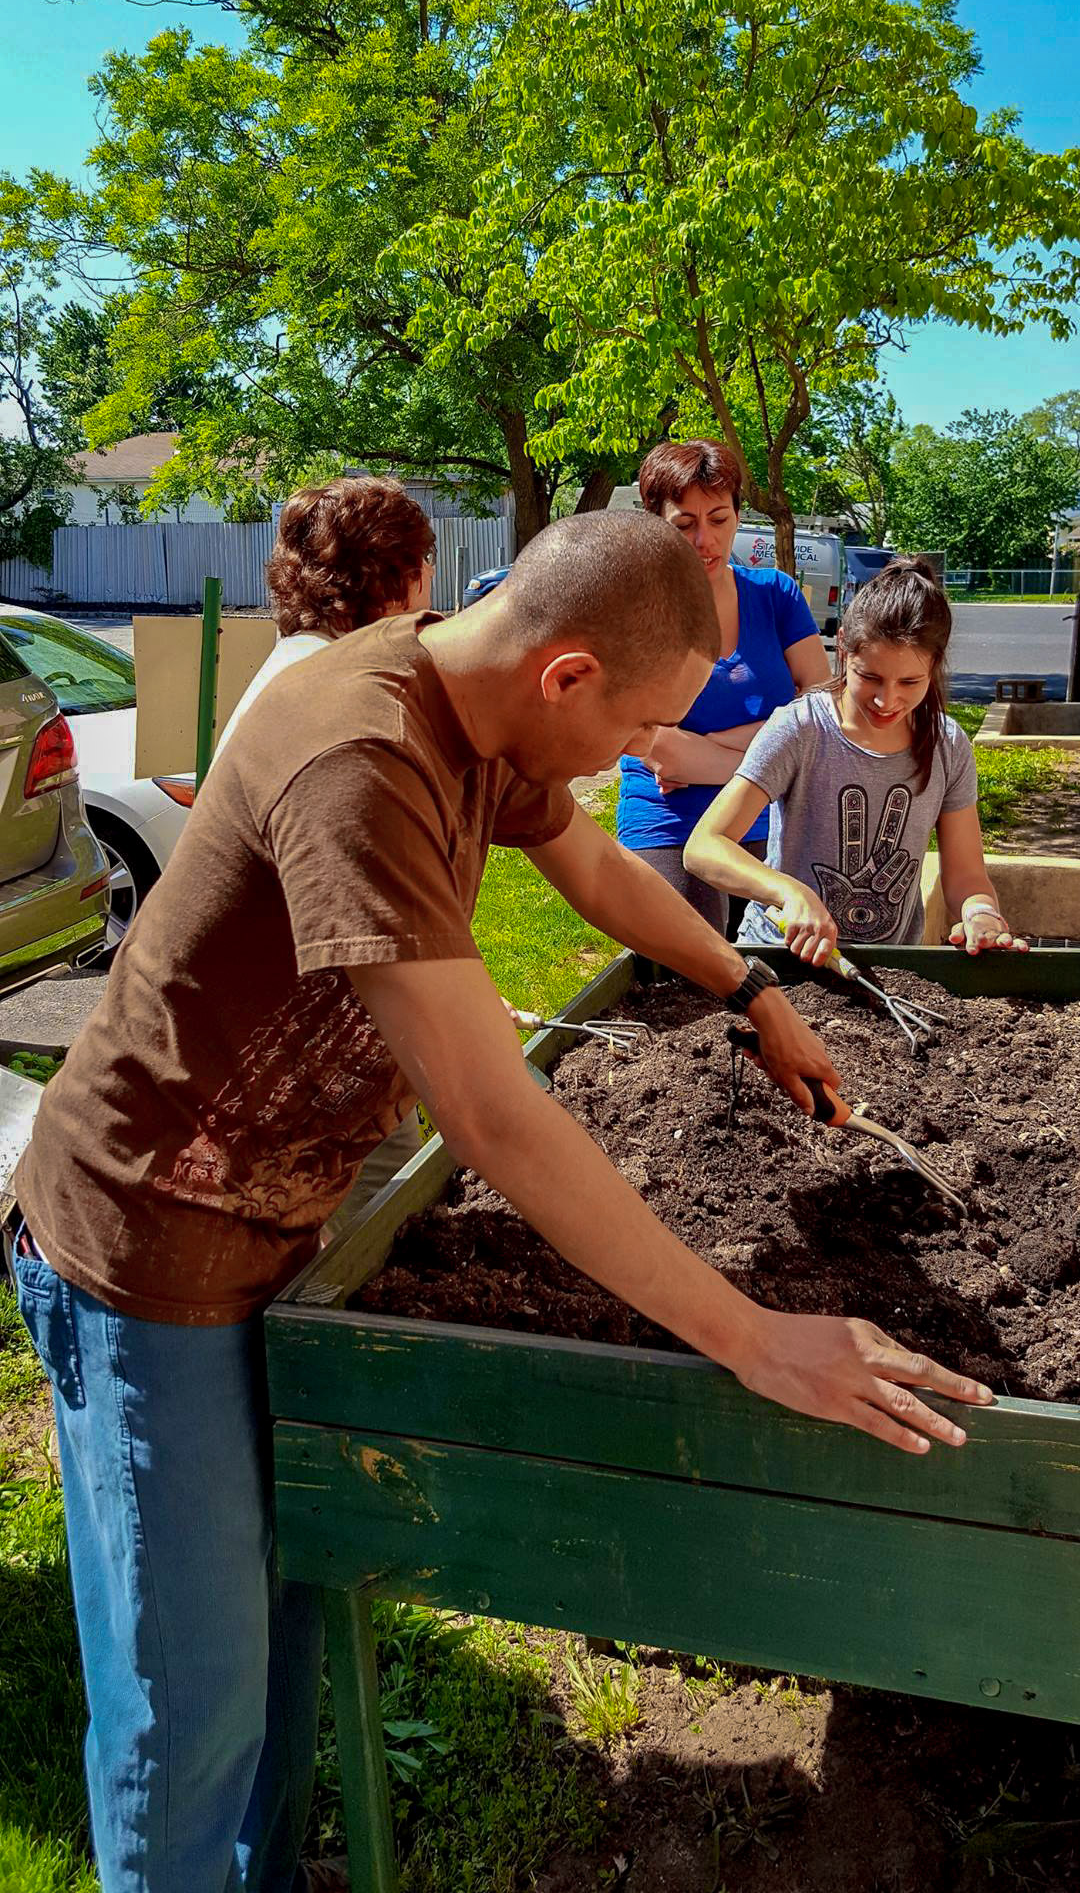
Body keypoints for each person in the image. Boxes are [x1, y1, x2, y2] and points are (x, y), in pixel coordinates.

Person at [5, 513, 993, 1893]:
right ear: (568, 674)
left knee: (282, 1634)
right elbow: (491, 1110)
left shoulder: (479, 700)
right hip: (145, 1245)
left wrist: (751, 990)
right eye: (637, 723)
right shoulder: (360, 754)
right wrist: (754, 1337)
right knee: (191, 1704)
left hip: (278, 1230)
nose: (630, 760)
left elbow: (592, 873)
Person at [213, 477, 438, 1227]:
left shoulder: (298, 663)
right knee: (372, 1229)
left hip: (317, 1013)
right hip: (300, 1032)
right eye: (427, 566)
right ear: (405, 577)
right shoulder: (333, 691)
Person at [683, 557, 1029, 960]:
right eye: (870, 677)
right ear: (843, 647)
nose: (887, 700)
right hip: (780, 960)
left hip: (890, 969)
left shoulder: (947, 745)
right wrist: (788, 892)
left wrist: (981, 914)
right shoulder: (801, 728)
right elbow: (705, 846)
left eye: (910, 682)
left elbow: (967, 877)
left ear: (935, 665)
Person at [617, 440, 829, 936]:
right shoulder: (632, 609)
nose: (705, 540)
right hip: (668, 821)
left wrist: (708, 748)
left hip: (766, 820)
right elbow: (658, 749)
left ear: (737, 513)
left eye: (718, 519)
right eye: (685, 525)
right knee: (688, 977)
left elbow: (820, 711)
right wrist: (775, 755)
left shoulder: (776, 595)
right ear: (656, 523)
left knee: (789, 977)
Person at [213, 474, 436, 759]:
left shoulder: (306, 654)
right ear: (389, 574)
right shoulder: (346, 692)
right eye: (425, 557)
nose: (431, 571)